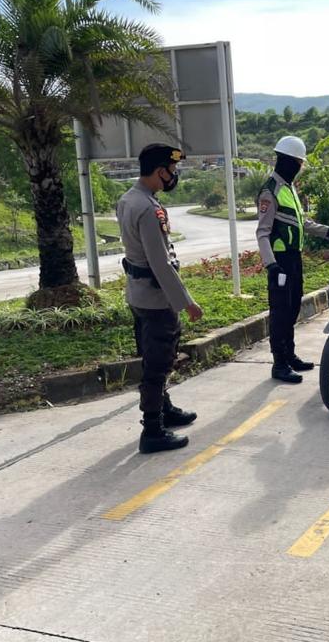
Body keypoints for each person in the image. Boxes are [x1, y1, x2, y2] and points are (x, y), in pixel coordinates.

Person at [117, 143, 204, 454]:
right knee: (158, 363)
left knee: (152, 357)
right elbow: (160, 262)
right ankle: (152, 430)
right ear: (159, 171)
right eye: (172, 170)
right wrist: (187, 302)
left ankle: (164, 409)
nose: (174, 176)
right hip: (156, 299)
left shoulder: (128, 199)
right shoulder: (149, 208)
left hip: (137, 294)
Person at [257, 135, 329, 384]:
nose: (299, 167)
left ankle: (289, 355)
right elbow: (262, 232)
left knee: (293, 308)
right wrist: (271, 265)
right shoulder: (270, 191)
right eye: (298, 163)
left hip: (293, 259)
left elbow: (301, 222)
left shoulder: (289, 188)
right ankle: (279, 364)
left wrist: (327, 231)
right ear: (287, 161)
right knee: (280, 312)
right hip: (279, 261)